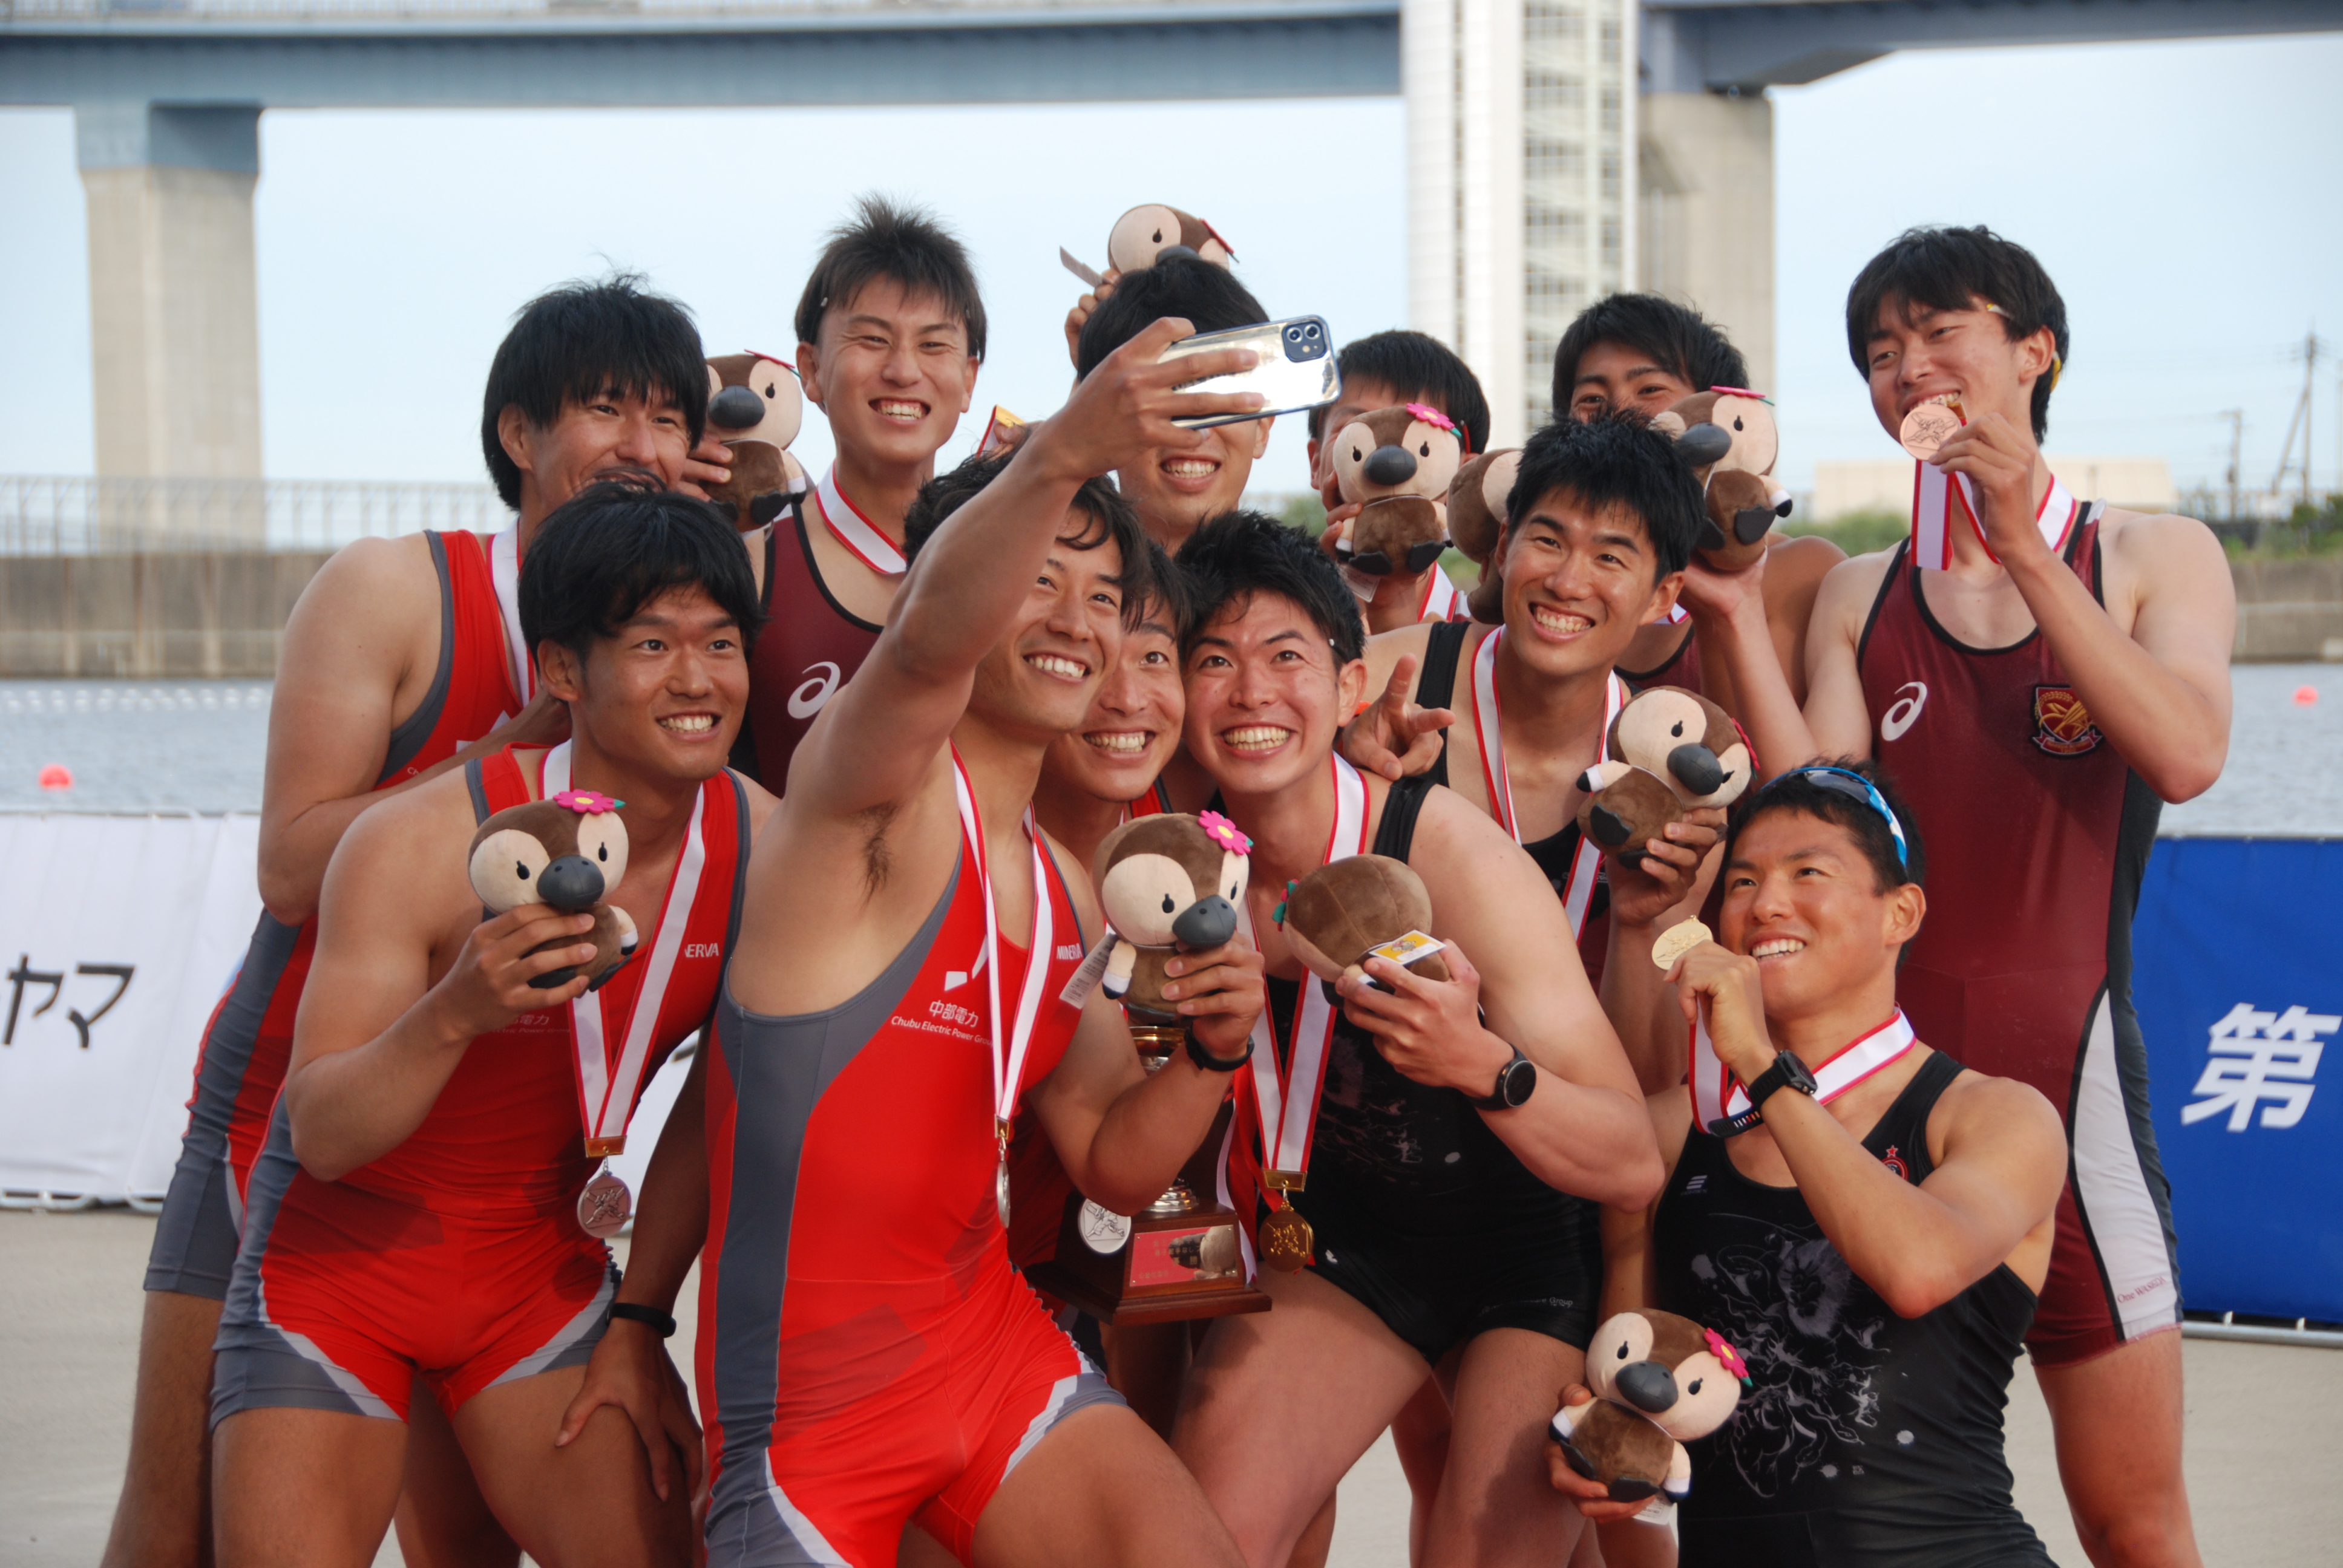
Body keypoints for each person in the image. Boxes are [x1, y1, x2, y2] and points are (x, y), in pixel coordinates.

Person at [582, 317, 1273, 1568]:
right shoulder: (863, 801)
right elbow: (922, 649)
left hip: (988, 1350)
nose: (1076, 623)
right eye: (1039, 579)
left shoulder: (1066, 889)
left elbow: (1115, 1159)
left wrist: (1213, 1054)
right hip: (810, 1422)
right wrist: (1062, 453)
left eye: (1104, 598)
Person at [109, 274, 715, 1568]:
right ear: (518, 433)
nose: (643, 446)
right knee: (172, 1531)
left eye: (670, 418)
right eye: (607, 409)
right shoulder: (396, 591)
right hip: (301, 1104)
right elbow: (288, 866)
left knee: (472, 1540)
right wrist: (502, 762)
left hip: (511, 1164)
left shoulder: (675, 628)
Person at [208, 486, 775, 1567]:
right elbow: (320, 1132)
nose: (697, 679)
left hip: (534, 1276)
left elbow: (722, 1097)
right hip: (338, 1270)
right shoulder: (418, 842)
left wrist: (640, 1319)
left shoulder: (768, 851)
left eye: (720, 642)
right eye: (652, 644)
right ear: (562, 670)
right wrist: (457, 1011)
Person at [1787, 226, 2233, 1568]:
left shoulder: (2153, 554)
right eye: (1880, 352)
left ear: (2034, 351)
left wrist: (2022, 547)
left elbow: (2187, 754)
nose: (1908, 368)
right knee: (1852, 1511)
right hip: (1881, 1101)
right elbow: (1814, 820)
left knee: (2132, 1520)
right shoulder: (1859, 595)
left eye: (1941, 333)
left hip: (2071, 1090)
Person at [1164, 510, 1664, 1568]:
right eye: (1213, 660)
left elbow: (1630, 1158)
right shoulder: (1178, 862)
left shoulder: (1450, 854)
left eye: (1285, 657)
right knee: (1196, 1542)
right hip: (1346, 1248)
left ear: (1349, 685)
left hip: (1529, 1257)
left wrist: (1480, 1064)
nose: (1251, 693)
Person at [1557, 761, 2065, 1568]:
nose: (1766, 904)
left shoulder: (1993, 1116)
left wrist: (1763, 1069)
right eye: (1743, 881)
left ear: (1901, 912)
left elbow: (1916, 1269)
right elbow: (1632, 1456)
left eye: (1808, 874)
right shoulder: (1672, 1132)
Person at [1340, 415, 1721, 1047]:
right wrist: (1340, 771)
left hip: (1544, 1104)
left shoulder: (1673, 790)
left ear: (1662, 596)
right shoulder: (1379, 678)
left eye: (1609, 557)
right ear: (1501, 547)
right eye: (1547, 541)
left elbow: (1644, 1077)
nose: (1567, 583)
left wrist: (1634, 925)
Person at [733, 195, 986, 787]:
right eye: (872, 340)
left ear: (968, 380)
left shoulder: (1012, 561)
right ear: (812, 369)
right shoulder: (749, 569)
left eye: (933, 345)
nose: (903, 370)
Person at [1547, 293, 1843, 712]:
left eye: (1650, 389)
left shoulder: (1802, 573)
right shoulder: (1552, 578)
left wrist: (1724, 609)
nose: (1617, 412)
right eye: (1591, 399)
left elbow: (1763, 751)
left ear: (1717, 411)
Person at [1073, 256, 1276, 553]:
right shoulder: (1034, 574)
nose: (1195, 431)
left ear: (1262, 429)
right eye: (1166, 397)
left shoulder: (1312, 582)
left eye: (1220, 395)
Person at [1304, 329, 1493, 634]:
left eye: (1417, 434)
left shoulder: (1489, 638)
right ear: (1316, 463)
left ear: (1465, 475)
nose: (1384, 453)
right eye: (1354, 429)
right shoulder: (1270, 614)